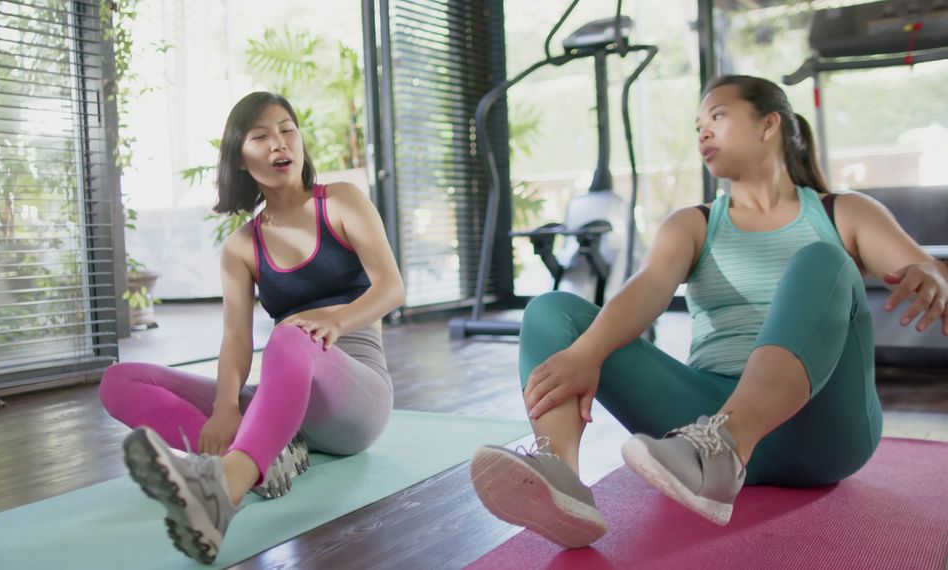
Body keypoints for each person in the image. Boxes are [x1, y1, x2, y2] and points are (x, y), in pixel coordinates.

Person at [470, 74, 948, 547]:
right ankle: (561, 480)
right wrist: (585, 353)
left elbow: (926, 271)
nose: (702, 131)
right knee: (551, 310)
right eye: (697, 123)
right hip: (699, 429)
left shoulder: (842, 212)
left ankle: (729, 447)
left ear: (769, 125)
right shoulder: (692, 225)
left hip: (822, 429)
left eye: (717, 116)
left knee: (824, 260)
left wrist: (933, 277)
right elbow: (648, 289)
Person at [98, 92, 404, 564]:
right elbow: (236, 339)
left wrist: (335, 319)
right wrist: (224, 408)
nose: (279, 143)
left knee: (288, 334)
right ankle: (269, 454)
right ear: (240, 159)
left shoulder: (339, 202)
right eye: (260, 136)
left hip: (356, 400)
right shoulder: (242, 247)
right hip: (284, 399)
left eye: (287, 129)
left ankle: (229, 483)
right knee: (120, 382)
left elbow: (391, 288)